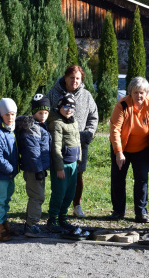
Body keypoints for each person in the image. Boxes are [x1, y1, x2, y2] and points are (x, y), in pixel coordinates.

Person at [109, 76, 149, 223]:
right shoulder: (121, 105)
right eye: (135, 93)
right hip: (122, 147)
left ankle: (141, 212)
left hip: (143, 148)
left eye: (142, 92)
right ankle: (118, 211)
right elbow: (115, 129)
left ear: (146, 93)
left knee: (142, 180)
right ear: (130, 93)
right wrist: (118, 152)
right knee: (118, 179)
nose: (139, 96)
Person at [47, 65, 98, 218]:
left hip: (79, 143)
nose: (74, 81)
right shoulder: (53, 93)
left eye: (78, 78)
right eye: (71, 77)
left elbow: (94, 116)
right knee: (60, 175)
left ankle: (76, 205)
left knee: (77, 175)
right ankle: (58, 208)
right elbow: (45, 114)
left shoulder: (86, 96)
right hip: (58, 143)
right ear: (65, 77)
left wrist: (89, 133)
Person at [16, 94, 51, 238]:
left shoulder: (40, 127)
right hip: (33, 169)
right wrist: (38, 170)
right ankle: (31, 226)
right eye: (40, 113)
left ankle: (30, 223)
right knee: (37, 197)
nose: (43, 116)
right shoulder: (32, 128)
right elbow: (33, 152)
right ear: (34, 112)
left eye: (46, 113)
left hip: (38, 168)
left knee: (36, 196)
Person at [46, 93, 82, 233]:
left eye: (72, 107)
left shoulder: (73, 122)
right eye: (66, 106)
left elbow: (78, 142)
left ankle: (63, 217)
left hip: (73, 164)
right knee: (59, 192)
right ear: (60, 106)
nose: (69, 110)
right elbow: (55, 147)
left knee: (70, 192)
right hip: (61, 165)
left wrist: (78, 160)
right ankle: (52, 219)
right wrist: (59, 167)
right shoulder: (56, 123)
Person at [0, 98, 19, 242]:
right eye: (7, 114)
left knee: (6, 199)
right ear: (1, 115)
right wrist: (10, 169)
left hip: (10, 173)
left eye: (13, 114)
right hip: (1, 173)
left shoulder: (11, 130)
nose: (10, 117)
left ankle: (3, 221)